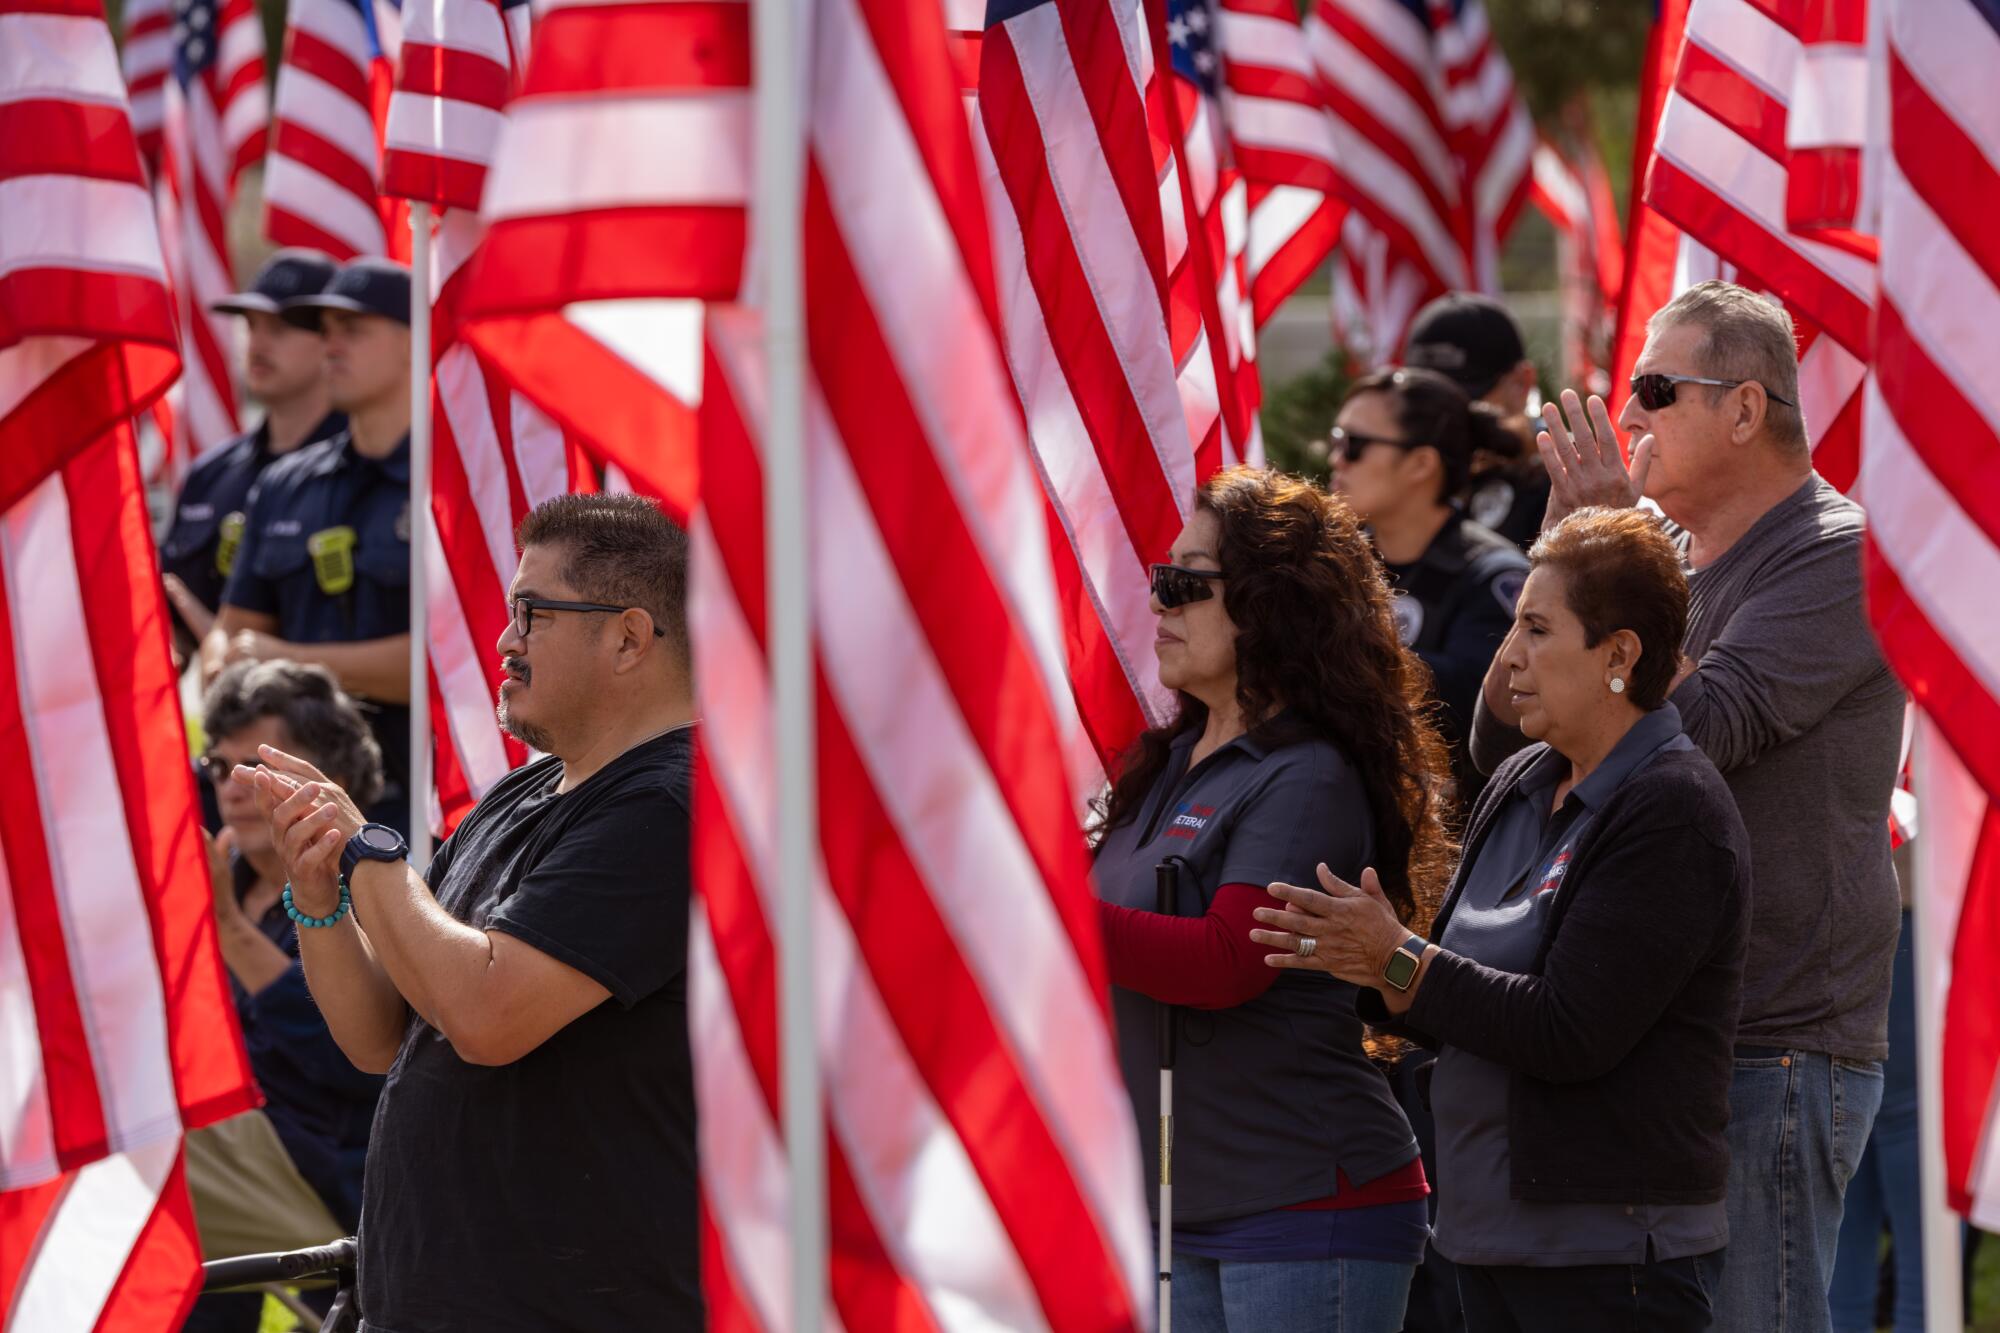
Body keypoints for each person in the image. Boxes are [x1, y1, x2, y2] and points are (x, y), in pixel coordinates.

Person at [1470, 280, 1905, 1332]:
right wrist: (1573, 569)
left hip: (1777, 1041)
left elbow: (1699, 731)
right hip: (1649, 1040)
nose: (1627, 418)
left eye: (1655, 390)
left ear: (1745, 409)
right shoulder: (1650, 554)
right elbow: (1501, 734)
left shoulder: (1834, 549)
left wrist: (1607, 559)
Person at [1255, 507, 1752, 1332]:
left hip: (1609, 1263)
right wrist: (1359, 959)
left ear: (1619, 656)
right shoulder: (1522, 775)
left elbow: (1570, 1029)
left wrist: (1397, 961)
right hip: (1484, 1243)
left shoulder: (1674, 808)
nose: (1507, 656)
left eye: (1536, 628)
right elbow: (1446, 978)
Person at [238, 493, 701, 1330]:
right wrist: (319, 897)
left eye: (533, 612)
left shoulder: (673, 804)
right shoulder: (522, 793)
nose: (504, 638)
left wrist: (367, 850)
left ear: (629, 637)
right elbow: (383, 1034)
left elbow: (486, 1013)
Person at [1091, 466, 1455, 1331]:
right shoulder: (1166, 764)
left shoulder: (1309, 775)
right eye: (1158, 579)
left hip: (1303, 1204)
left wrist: (1050, 917)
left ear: (1269, 603)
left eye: (1186, 583)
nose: (1158, 604)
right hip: (1175, 1205)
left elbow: (1229, 960)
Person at [183, 661, 387, 1333]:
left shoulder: (379, 883)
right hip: (238, 1164)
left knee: (156, 1135)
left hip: (332, 1178)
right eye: (219, 767)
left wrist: (228, 930)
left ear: (326, 778)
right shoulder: (223, 874)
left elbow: (357, 1056)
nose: (230, 791)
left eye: (254, 771)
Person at [204, 258, 416, 835]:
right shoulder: (285, 483)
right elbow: (235, 626)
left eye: (354, 330)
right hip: (287, 797)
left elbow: (449, 662)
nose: (332, 346)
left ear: (413, 343)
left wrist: (284, 659)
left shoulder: (453, 487)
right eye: (324, 330)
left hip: (416, 797)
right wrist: (225, 657)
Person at [1331, 366, 1527, 804]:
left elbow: (1473, 712)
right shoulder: (1331, 565)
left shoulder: (1493, 576)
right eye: (1336, 439)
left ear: (1421, 463)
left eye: (1354, 445)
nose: (1336, 459)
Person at [160, 250, 348, 667]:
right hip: (231, 725)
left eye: (280, 327)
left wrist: (234, 648)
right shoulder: (211, 476)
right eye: (251, 325)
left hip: (343, 723)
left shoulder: (370, 468)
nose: (257, 343)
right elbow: (173, 633)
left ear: (333, 341)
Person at [1403, 293, 1548, 549]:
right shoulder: (1396, 473)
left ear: (1521, 382)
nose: (1442, 416)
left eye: (1464, 399)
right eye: (1424, 403)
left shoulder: (1563, 479)